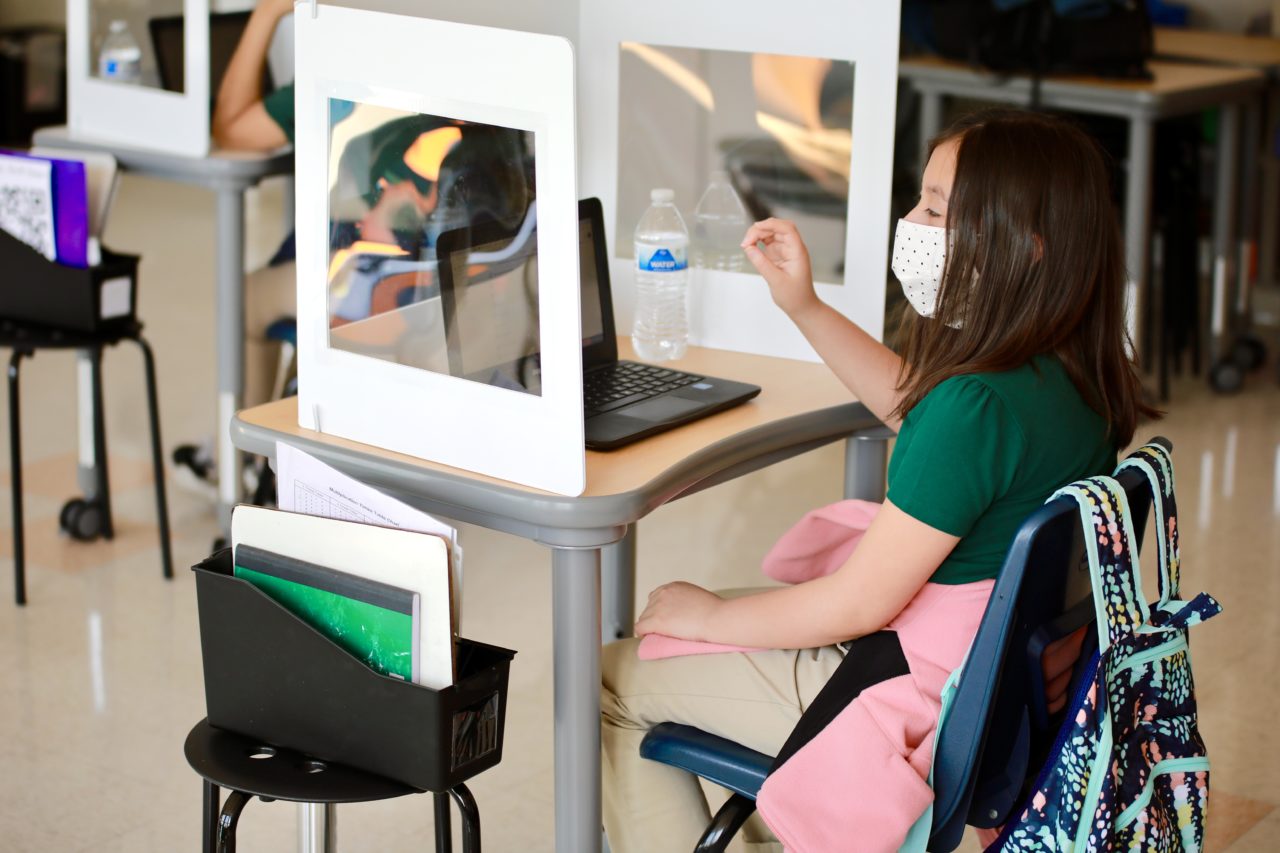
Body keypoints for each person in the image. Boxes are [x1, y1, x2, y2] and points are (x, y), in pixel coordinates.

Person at [601, 108, 1157, 852]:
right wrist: (804, 306)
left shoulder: (977, 407)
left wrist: (703, 617)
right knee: (716, 617)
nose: (911, 221)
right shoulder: (1068, 383)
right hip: (984, 698)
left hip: (906, 704)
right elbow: (928, 417)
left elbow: (854, 604)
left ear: (1021, 248)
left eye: (934, 206)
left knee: (610, 675)